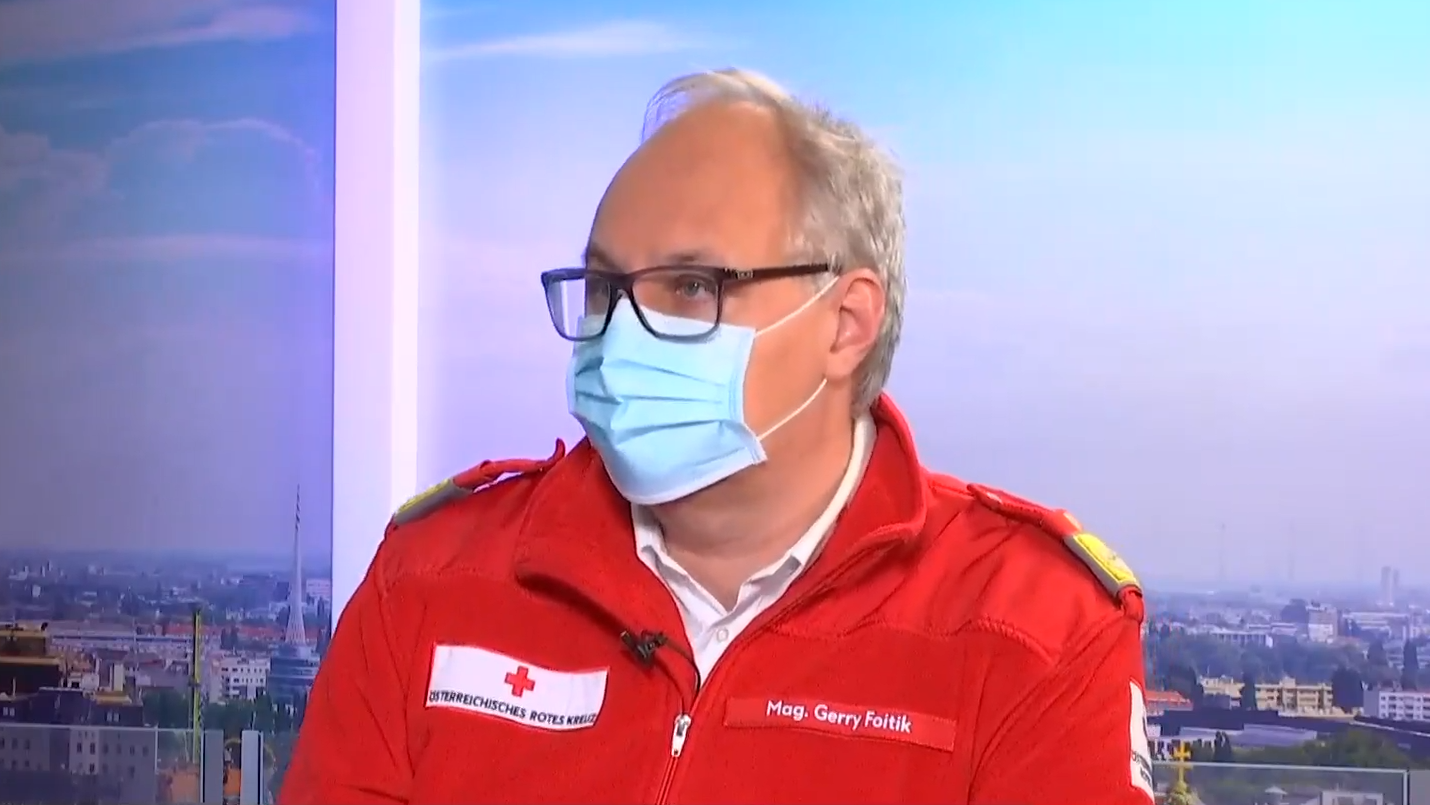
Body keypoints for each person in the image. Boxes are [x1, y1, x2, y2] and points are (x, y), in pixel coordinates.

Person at [280, 68, 1154, 805]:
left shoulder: (1034, 631)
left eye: (692, 287)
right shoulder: (431, 581)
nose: (621, 333)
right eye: (604, 287)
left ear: (845, 323)